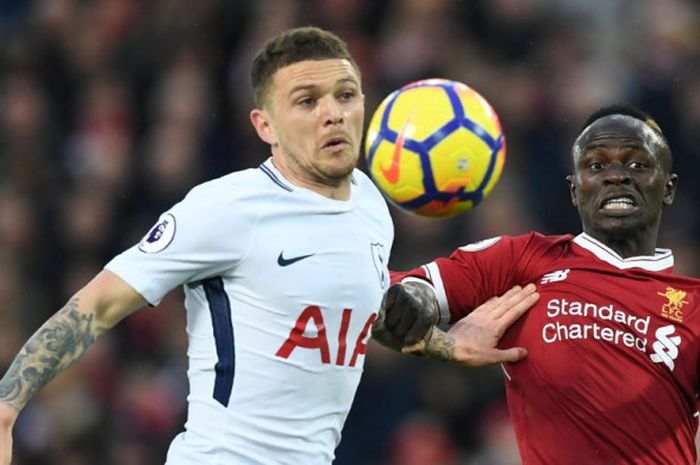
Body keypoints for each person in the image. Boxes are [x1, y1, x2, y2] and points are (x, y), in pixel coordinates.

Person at [0, 26, 539, 465]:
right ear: (265, 125)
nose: (333, 113)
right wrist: (8, 405)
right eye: (306, 101)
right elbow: (96, 306)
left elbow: (357, 314)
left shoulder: (373, 207)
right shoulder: (227, 208)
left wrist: (449, 343)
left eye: (345, 95)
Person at [379, 104, 700, 464]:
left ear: (669, 188)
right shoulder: (523, 260)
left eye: (637, 164)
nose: (616, 176)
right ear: (574, 190)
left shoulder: (694, 306)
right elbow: (387, 300)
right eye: (596, 165)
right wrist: (437, 338)